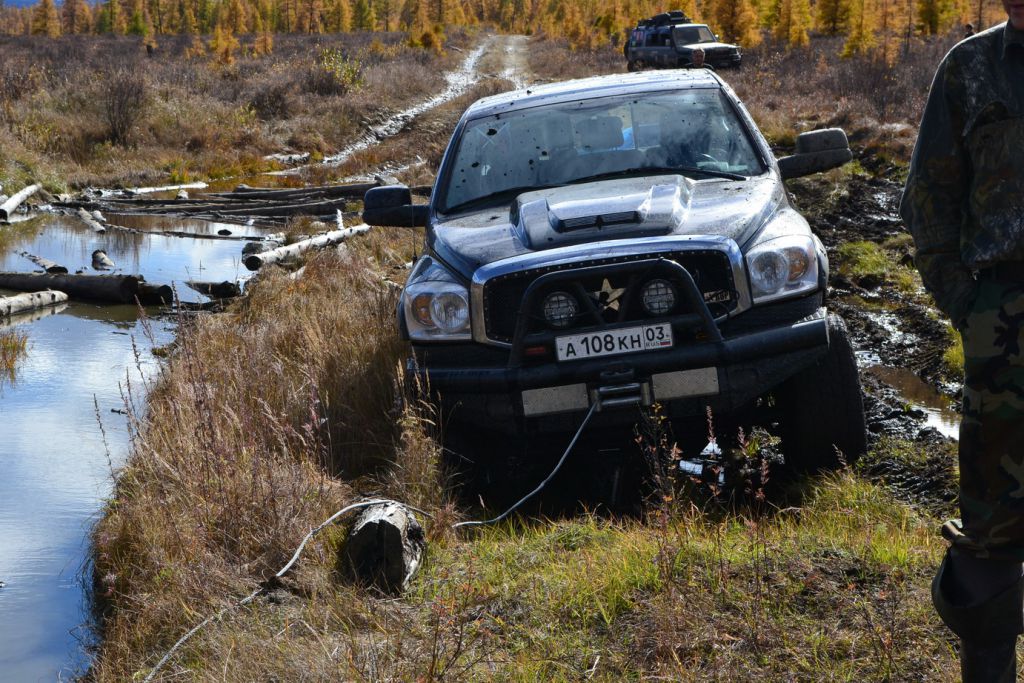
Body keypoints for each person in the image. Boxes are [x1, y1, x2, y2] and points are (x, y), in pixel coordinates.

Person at [900, 2, 1024, 680]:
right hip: (1004, 330)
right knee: (992, 535)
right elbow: (928, 198)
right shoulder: (969, 69)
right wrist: (966, 305)